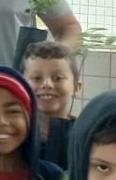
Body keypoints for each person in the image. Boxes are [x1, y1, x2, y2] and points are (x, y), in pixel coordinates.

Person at [21, 41, 81, 169]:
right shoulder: (14, 138)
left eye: (58, 78)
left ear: (76, 87)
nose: (47, 84)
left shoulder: (86, 138)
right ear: (21, 86)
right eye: (37, 78)